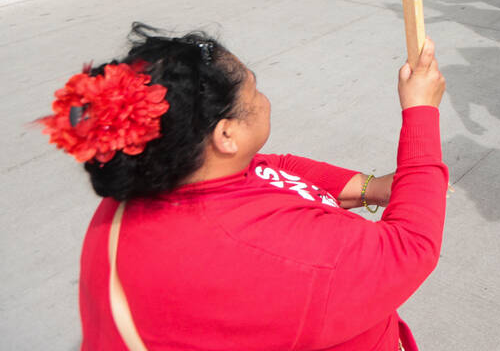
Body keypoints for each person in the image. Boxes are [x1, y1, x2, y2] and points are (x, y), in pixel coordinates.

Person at [42, 25, 448, 350]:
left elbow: (274, 168)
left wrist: (372, 188)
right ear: (226, 134)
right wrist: (421, 110)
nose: (264, 98)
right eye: (254, 89)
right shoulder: (268, 250)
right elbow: (410, 247)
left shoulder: (170, 176)